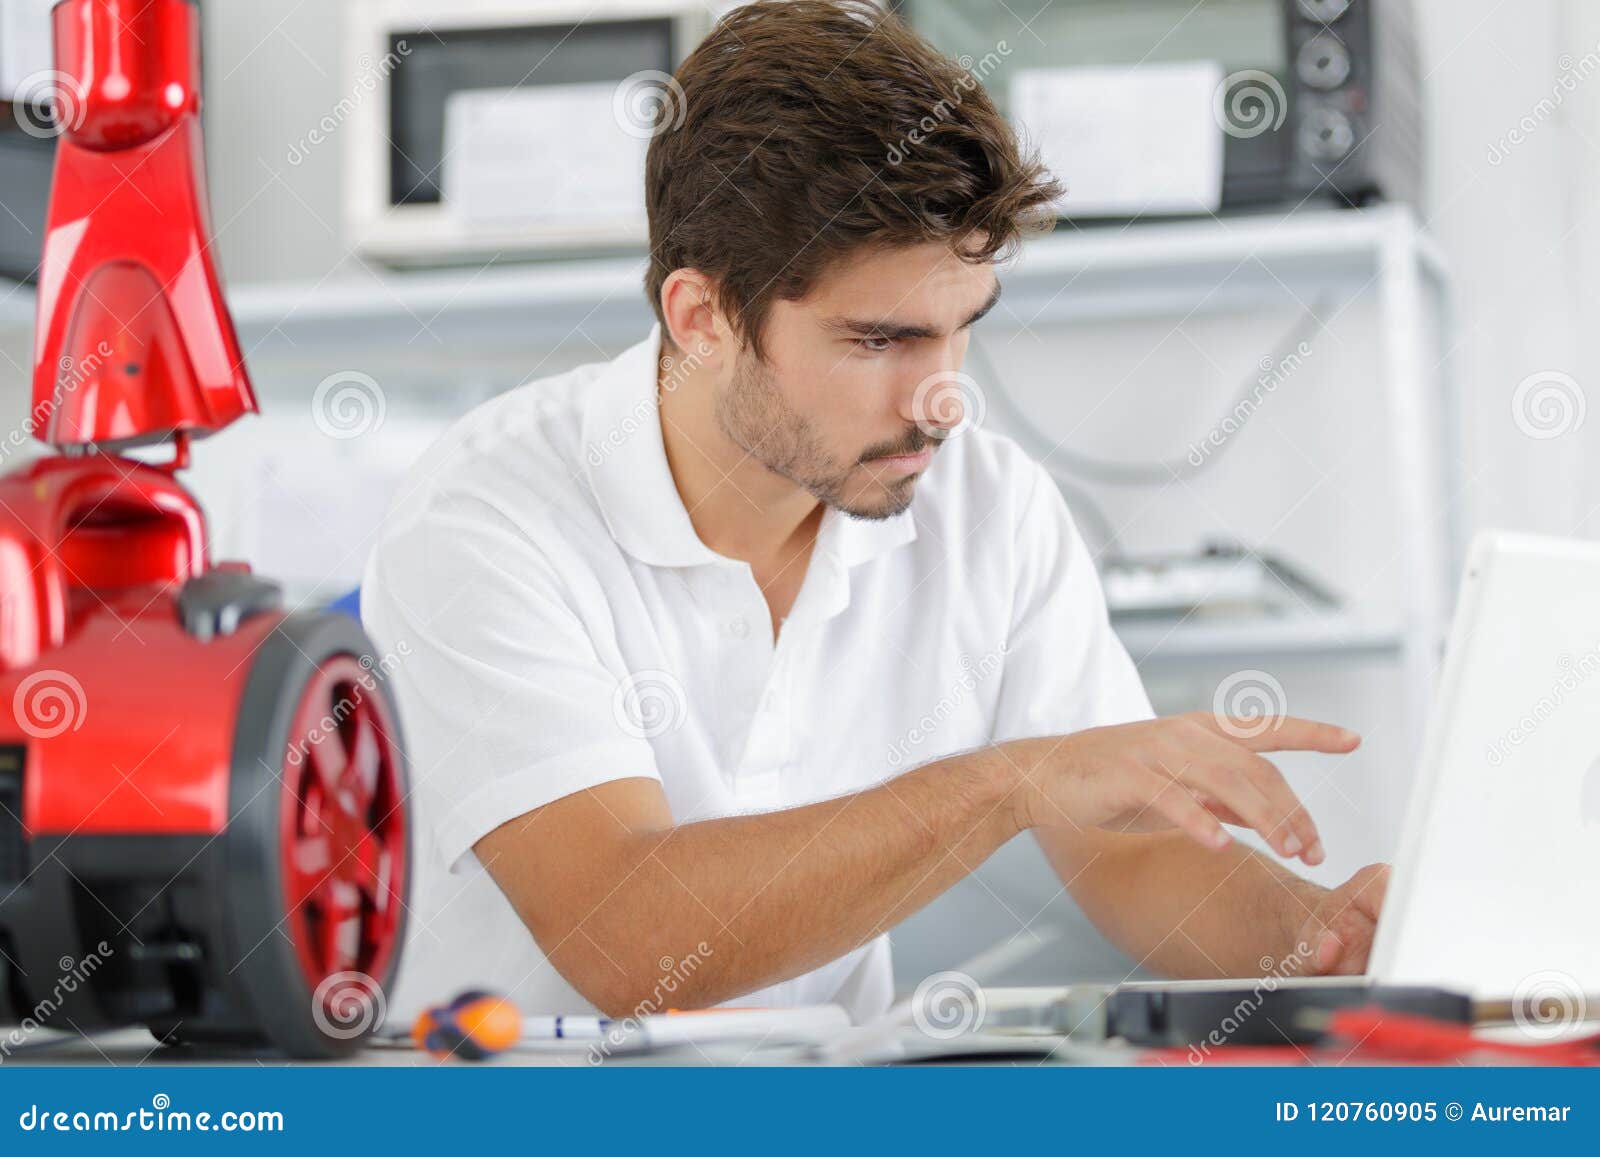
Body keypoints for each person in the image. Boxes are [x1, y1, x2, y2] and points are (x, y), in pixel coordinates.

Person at [363, 0, 1387, 1025]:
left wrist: (1328, 935)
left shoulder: (989, 505)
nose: (940, 399)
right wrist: (1009, 783)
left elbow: (1129, 847)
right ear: (702, 318)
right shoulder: (484, 518)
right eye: (879, 341)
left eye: (960, 330)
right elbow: (627, 933)